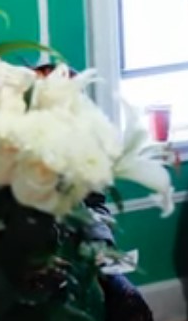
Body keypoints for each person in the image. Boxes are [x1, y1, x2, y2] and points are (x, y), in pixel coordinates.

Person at [33, 63, 154, 321]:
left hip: (82, 254)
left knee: (131, 304)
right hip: (32, 262)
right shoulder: (9, 151)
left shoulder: (83, 149)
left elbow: (95, 205)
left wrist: (102, 246)